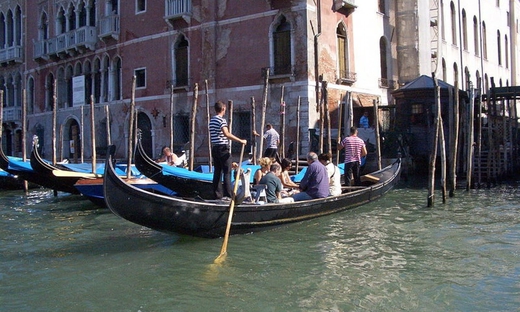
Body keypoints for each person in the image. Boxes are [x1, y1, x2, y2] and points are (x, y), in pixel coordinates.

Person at [209, 100, 247, 199]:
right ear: (223, 109)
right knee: (227, 171)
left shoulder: (211, 120)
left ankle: (217, 196)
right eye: (225, 109)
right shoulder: (222, 120)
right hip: (222, 148)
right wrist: (240, 141)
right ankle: (228, 195)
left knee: (217, 172)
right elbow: (226, 134)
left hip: (215, 148)